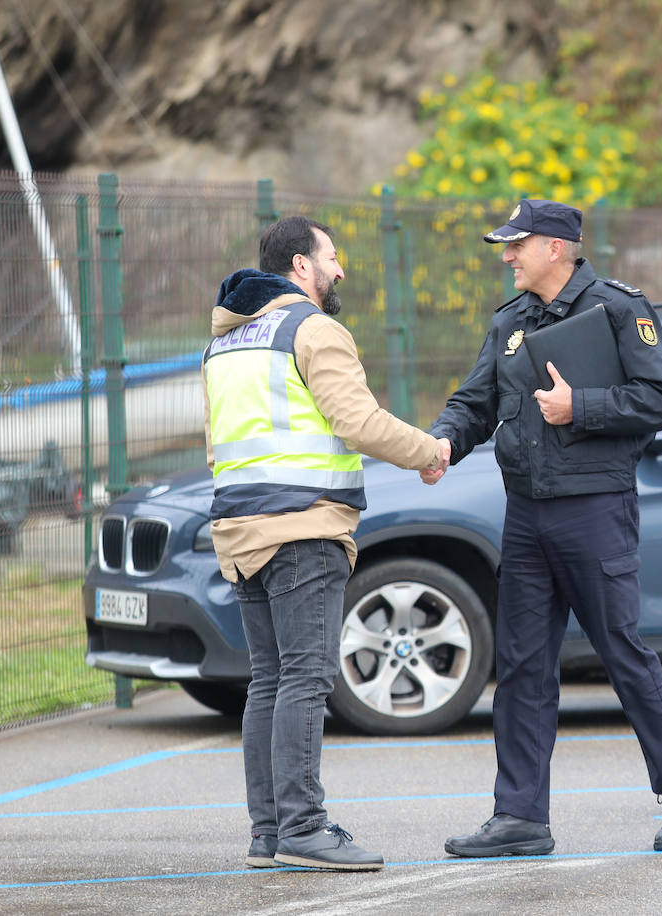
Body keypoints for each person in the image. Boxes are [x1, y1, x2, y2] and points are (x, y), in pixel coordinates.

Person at [427, 199, 662, 856]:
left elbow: (660, 399)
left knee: (621, 651)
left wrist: (576, 406)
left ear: (555, 247)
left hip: (594, 507)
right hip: (526, 511)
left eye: (516, 245)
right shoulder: (510, 321)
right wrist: (443, 441)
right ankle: (521, 816)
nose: (506, 256)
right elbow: (475, 402)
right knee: (524, 664)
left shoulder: (617, 308)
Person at [203, 215, 446, 871]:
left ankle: (269, 833)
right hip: (303, 529)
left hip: (240, 532)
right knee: (306, 681)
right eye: (332, 257)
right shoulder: (313, 329)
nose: (341, 270)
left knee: (270, 682)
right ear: (302, 266)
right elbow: (357, 422)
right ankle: (304, 829)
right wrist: (430, 451)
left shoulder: (225, 343)